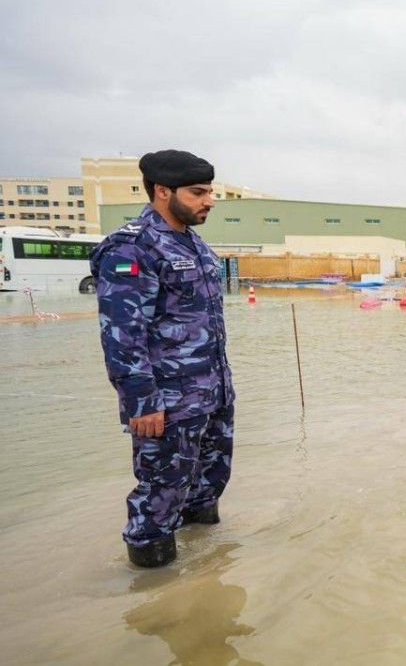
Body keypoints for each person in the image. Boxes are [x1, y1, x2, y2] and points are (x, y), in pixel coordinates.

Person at [90, 149, 236, 568]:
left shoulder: (194, 244)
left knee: (208, 484)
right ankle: (151, 589)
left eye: (210, 192)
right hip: (167, 402)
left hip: (212, 392)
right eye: (198, 193)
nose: (209, 201)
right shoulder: (132, 248)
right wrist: (142, 401)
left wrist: (223, 390)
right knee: (159, 498)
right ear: (162, 191)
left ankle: (205, 579)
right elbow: (122, 334)